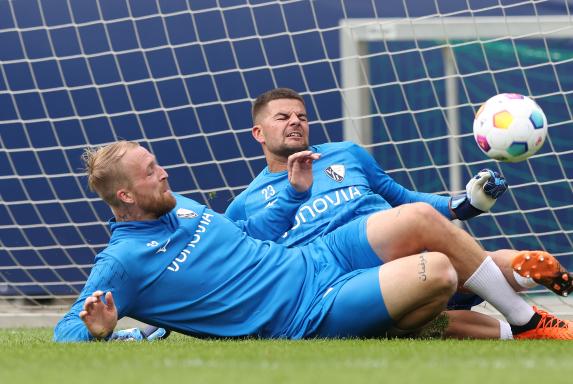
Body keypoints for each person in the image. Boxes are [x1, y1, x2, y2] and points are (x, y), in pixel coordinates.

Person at [54, 140, 573, 342]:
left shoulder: (180, 204)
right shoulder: (121, 261)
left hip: (313, 255)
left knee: (416, 217)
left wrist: (292, 199)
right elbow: (65, 335)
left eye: (159, 164)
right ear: (124, 194)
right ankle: (426, 322)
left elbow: (249, 242)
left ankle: (528, 321)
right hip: (303, 312)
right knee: (435, 271)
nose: (164, 174)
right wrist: (107, 333)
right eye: (151, 172)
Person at [223, 87, 572, 339]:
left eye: (301, 116)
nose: (295, 122)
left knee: (461, 262)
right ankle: (517, 322)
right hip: (343, 276)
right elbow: (233, 267)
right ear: (258, 132)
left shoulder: (346, 154)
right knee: (430, 313)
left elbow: (399, 196)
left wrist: (464, 205)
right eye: (282, 117)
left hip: (393, 242)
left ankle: (527, 292)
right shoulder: (245, 203)